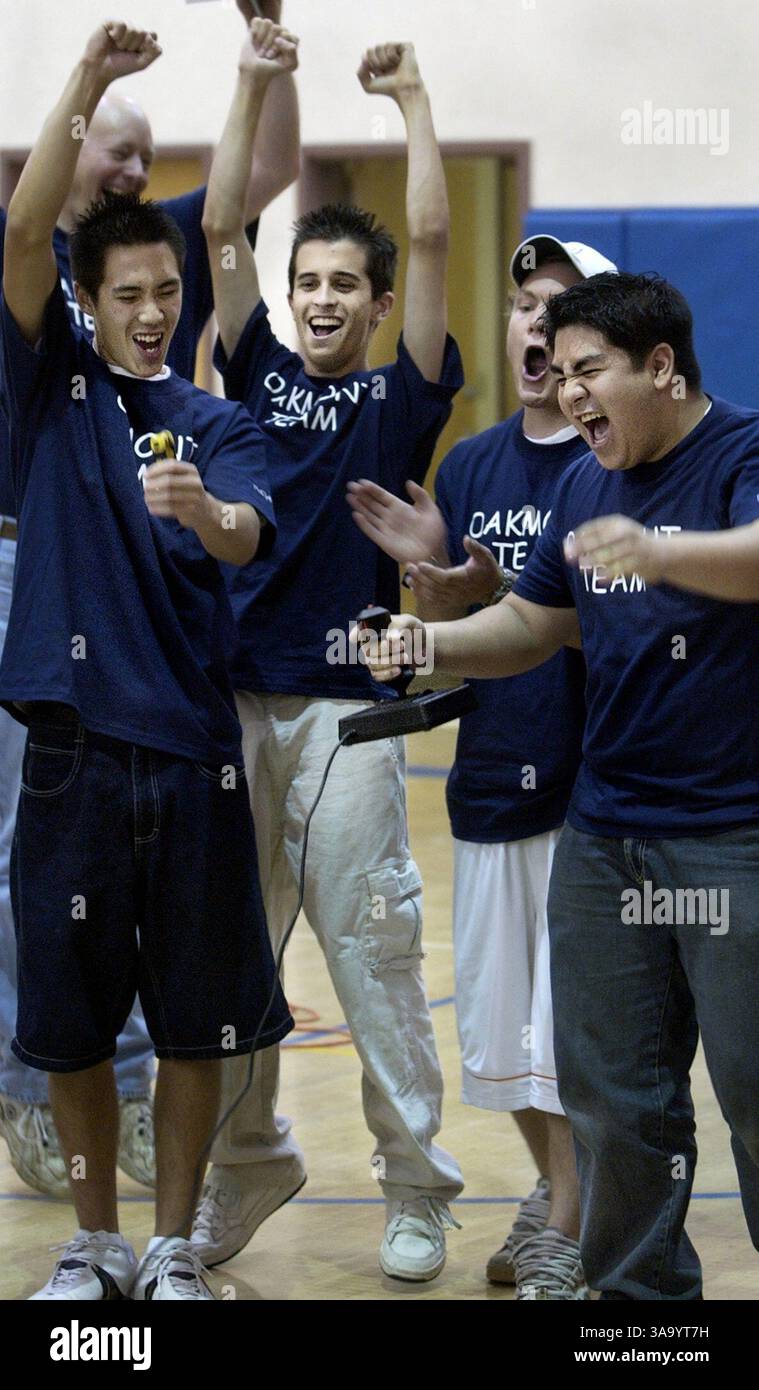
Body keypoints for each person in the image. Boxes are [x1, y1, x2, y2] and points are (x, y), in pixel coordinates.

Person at [361, 270, 759, 1300]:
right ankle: (638, 1309)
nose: (572, 393)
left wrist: (664, 551)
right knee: (615, 1096)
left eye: (592, 370)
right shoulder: (583, 482)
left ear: (662, 367)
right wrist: (430, 638)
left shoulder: (742, 453)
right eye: (563, 372)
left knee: (754, 1088)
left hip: (736, 834)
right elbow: (535, 624)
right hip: (607, 832)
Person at [1, 20, 292, 1301]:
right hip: (68, 755)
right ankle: (95, 1241)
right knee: (67, 1023)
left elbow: (244, 533)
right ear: (91, 302)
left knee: (191, 1020)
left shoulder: (217, 421)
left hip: (188, 759)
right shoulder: (46, 386)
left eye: (167, 293)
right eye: (126, 295)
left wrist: (206, 517)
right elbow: (23, 234)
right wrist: (91, 81)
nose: (151, 313)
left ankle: (170, 1246)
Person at [193, 17, 464, 1283]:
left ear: (375, 303)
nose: (319, 300)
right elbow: (214, 231)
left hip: (348, 713)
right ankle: (250, 1164)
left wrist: (413, 101)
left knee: (371, 948)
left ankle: (417, 1185)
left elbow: (433, 234)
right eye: (308, 281)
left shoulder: (397, 393)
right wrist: (253, 77)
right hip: (238, 703)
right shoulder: (255, 369)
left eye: (344, 286)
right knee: (234, 953)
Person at [347, 235, 616, 1299]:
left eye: (560, 306)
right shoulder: (470, 463)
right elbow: (457, 617)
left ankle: (574, 1213)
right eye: (521, 304)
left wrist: (505, 599)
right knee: (505, 1030)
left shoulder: (612, 459)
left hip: (595, 784)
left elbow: (599, 617)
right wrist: (444, 588)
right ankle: (561, 1192)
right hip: (491, 772)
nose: (535, 323)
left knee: (578, 1029)